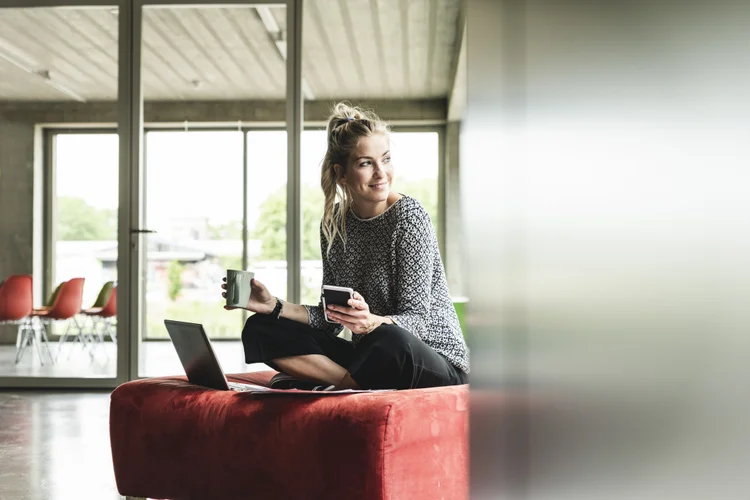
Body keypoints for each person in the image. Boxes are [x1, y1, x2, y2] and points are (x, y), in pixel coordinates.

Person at [221, 102, 469, 390]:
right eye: (366, 163)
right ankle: (346, 384)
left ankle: (338, 384)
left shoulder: (409, 217)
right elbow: (330, 321)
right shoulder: (335, 225)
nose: (381, 173)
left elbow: (418, 321)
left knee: (388, 338)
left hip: (431, 359)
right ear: (341, 173)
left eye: (385, 159)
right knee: (260, 327)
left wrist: (371, 322)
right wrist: (273, 305)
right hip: (372, 356)